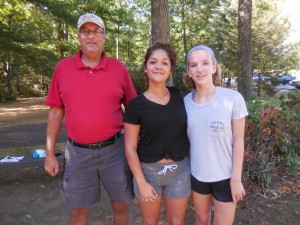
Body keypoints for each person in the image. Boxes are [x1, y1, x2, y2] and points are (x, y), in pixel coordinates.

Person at [44, 13, 136, 225]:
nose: (91, 36)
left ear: (104, 36)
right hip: (78, 153)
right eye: (86, 31)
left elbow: (133, 109)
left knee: (120, 204)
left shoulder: (118, 68)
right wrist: (49, 153)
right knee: (77, 211)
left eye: (96, 31)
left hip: (115, 151)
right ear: (79, 36)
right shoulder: (63, 68)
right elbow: (56, 111)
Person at [123, 42, 191, 225]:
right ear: (145, 68)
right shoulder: (135, 105)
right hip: (148, 173)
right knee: (151, 222)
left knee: (176, 222)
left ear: (170, 70)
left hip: (180, 170)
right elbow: (129, 147)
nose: (158, 66)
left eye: (164, 63)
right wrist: (141, 182)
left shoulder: (179, 96)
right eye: (153, 62)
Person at [183, 45, 248, 225]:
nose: (200, 69)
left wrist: (236, 179)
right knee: (201, 220)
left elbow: (239, 141)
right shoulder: (185, 103)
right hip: (198, 175)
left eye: (205, 63)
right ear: (189, 71)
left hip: (226, 177)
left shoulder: (233, 98)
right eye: (194, 65)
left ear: (214, 67)